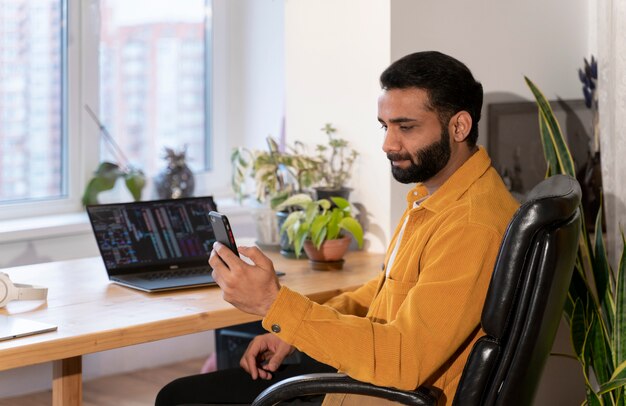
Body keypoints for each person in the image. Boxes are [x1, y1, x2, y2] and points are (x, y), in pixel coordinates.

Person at [155, 51, 519, 406]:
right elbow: (384, 292)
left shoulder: (471, 225)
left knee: (179, 398)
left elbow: (403, 361)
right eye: (385, 126)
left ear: (459, 126)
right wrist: (293, 333)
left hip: (384, 391)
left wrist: (273, 303)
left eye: (406, 127)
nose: (388, 145)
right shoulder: (438, 197)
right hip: (372, 376)